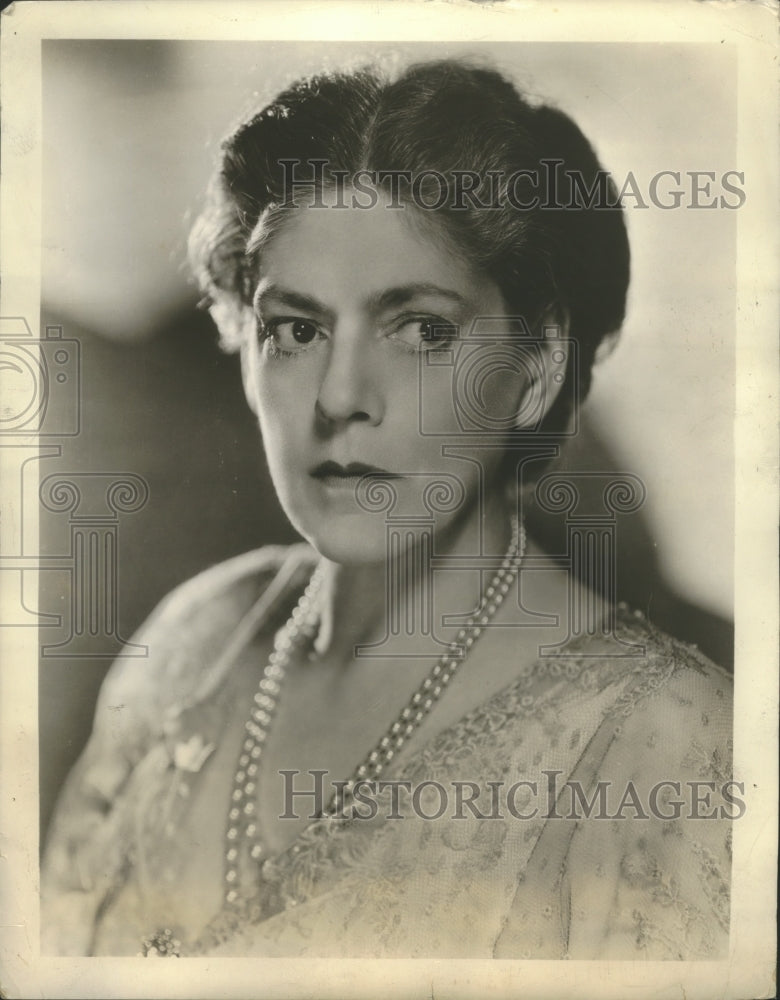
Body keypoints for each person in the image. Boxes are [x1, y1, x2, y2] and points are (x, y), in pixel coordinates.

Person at [41, 58, 733, 959]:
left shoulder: (666, 743)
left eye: (421, 330)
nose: (341, 396)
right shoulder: (187, 645)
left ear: (536, 368)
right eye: (296, 328)